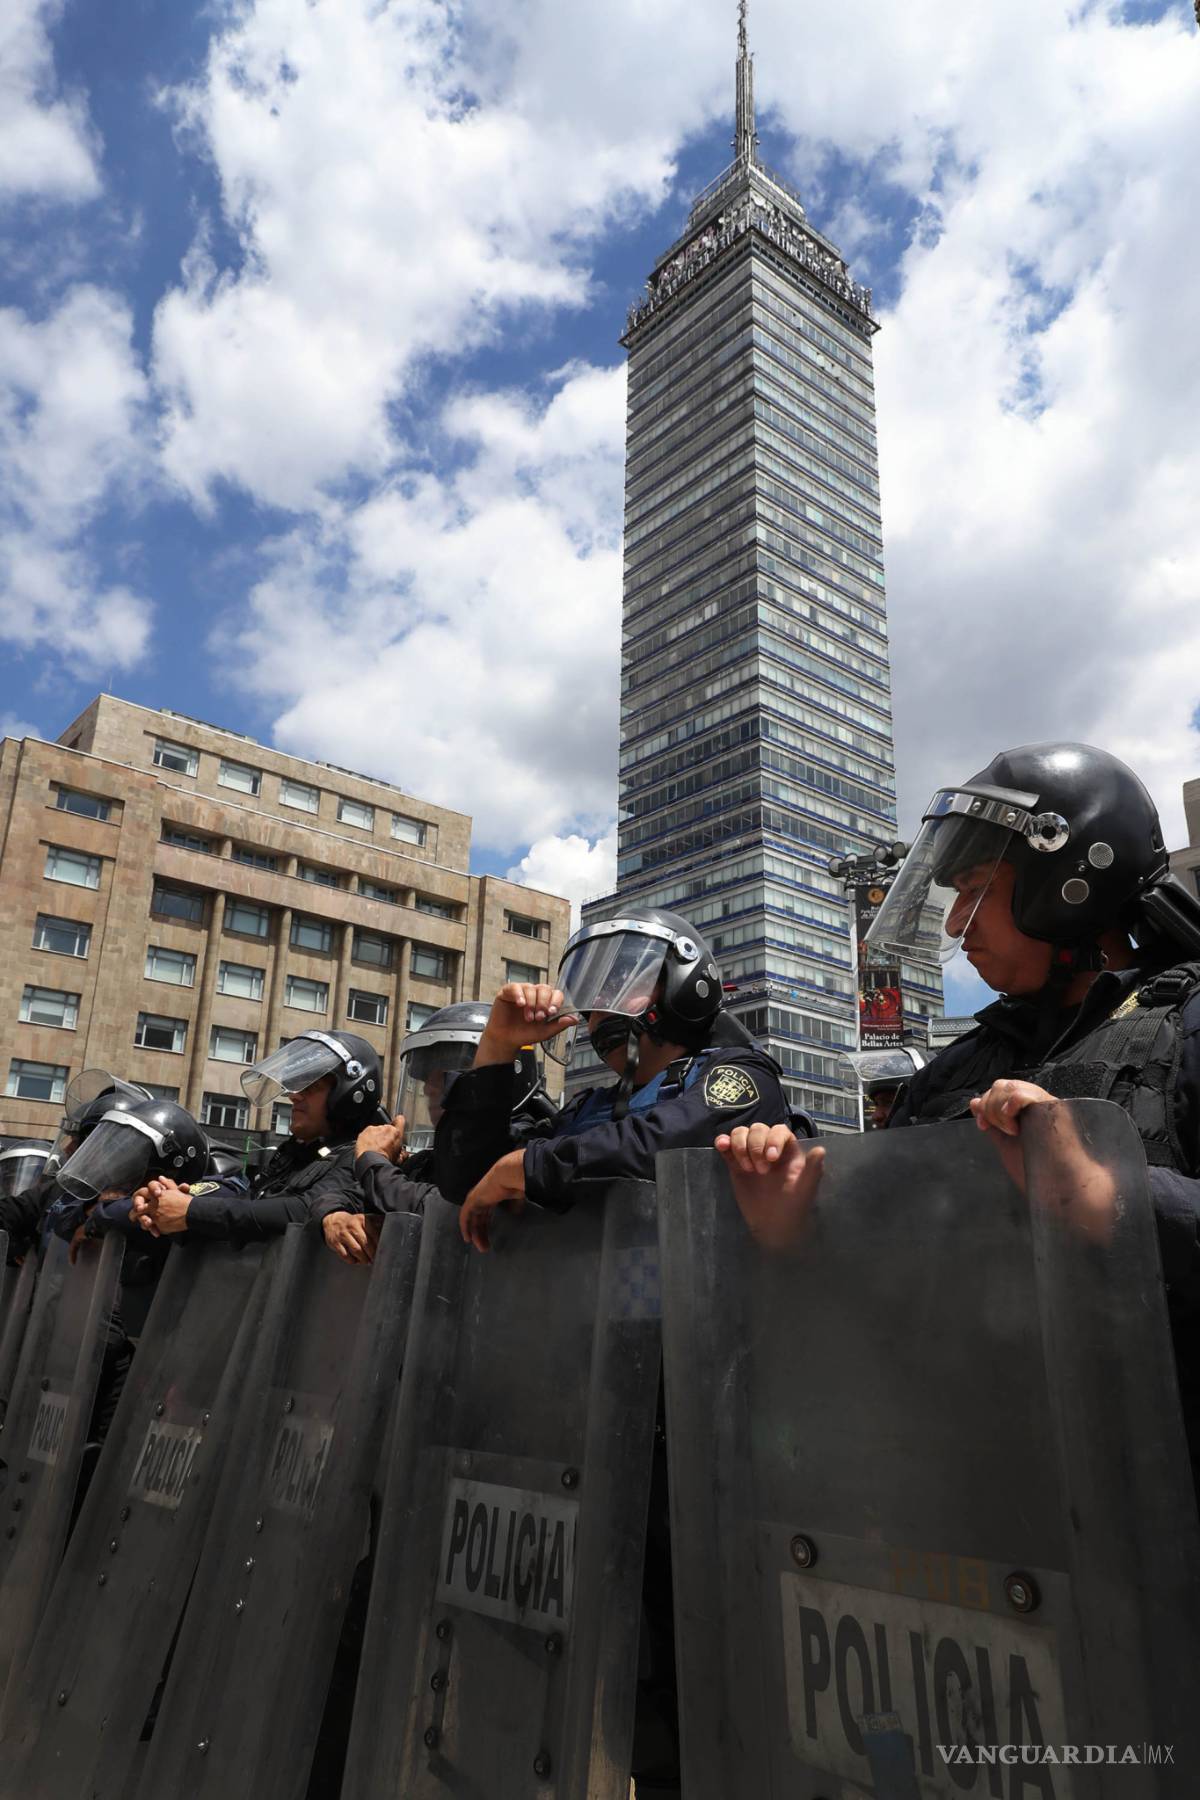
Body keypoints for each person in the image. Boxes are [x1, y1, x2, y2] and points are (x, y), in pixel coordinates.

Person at [718, 742, 1200, 1492]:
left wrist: (1114, 1198)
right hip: (965, 1484)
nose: (954, 928)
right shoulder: (954, 1070)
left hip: (1156, 1490)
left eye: (975, 889)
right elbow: (878, 1279)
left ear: (1068, 881)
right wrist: (794, 1232)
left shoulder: (1187, 1020)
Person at [434, 907, 804, 1252]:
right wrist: (498, 1046)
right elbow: (467, 1182)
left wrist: (525, 1167)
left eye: (621, 984)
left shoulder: (744, 1075)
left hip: (689, 1297)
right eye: (593, 996)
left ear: (683, 984)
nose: (599, 1007)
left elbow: (665, 1143)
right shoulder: (587, 1108)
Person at [319, 1001, 557, 1265]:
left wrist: (372, 1160)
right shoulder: (433, 1158)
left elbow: (442, 1207)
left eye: (446, 1073)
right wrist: (334, 1216)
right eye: (427, 1077)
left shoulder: (524, 1145)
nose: (428, 1088)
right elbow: (344, 1194)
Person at [131, 1030, 381, 1245]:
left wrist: (191, 1211)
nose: (294, 1096)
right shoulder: (296, 1154)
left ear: (349, 1094)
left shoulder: (363, 1156)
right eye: (296, 1086)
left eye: (311, 1086)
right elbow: (250, 1206)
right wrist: (167, 1207)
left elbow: (305, 1210)